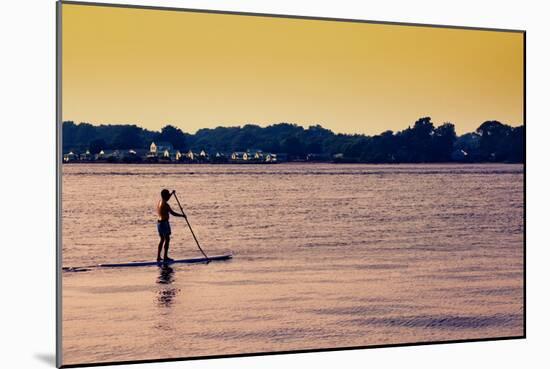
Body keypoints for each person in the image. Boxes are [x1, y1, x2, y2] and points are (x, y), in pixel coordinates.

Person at [156, 189, 186, 262]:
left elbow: (167, 198)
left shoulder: (160, 202)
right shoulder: (166, 205)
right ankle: (165, 257)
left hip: (159, 223)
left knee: (162, 239)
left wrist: (172, 193)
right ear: (165, 196)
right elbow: (173, 213)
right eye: (168, 195)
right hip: (164, 223)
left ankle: (158, 257)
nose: (169, 197)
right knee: (167, 239)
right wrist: (182, 215)